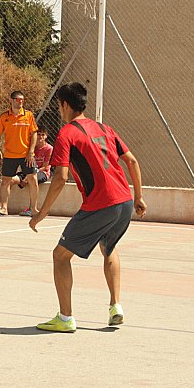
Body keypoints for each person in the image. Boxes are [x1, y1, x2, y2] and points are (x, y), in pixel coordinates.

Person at [30, 82, 147, 333]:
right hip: (124, 200)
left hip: (101, 204)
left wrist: (42, 212)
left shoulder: (66, 134)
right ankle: (116, 306)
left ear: (64, 105)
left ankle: (65, 318)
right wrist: (138, 196)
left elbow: (60, 177)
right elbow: (132, 161)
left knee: (60, 256)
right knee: (109, 247)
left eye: (59, 105)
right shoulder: (105, 128)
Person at [0, 90, 39, 216]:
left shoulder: (28, 115)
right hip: (10, 155)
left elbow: (34, 134)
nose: (20, 102)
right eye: (18, 99)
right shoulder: (4, 116)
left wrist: (31, 152)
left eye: (22, 100)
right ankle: (3, 208)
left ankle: (33, 209)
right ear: (11, 100)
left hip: (26, 155)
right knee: (6, 181)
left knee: (33, 179)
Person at [12, 125, 53, 217]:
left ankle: (32, 208)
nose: (40, 137)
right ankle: (3, 205)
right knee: (10, 180)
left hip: (42, 172)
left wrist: (29, 176)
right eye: (38, 134)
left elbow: (45, 166)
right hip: (28, 172)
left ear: (46, 136)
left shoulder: (49, 148)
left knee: (32, 180)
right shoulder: (31, 147)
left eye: (43, 135)